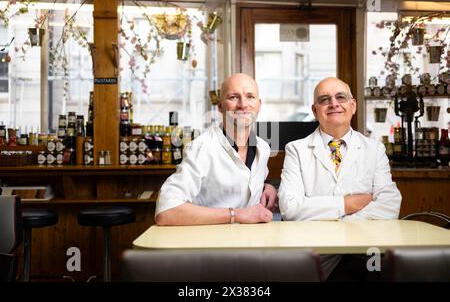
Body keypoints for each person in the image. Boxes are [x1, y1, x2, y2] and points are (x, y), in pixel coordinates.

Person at [278, 77, 402, 280]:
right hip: (315, 254)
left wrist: (338, 225)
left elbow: (389, 204)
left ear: (352, 106)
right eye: (324, 99)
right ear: (315, 110)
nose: (333, 104)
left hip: (365, 250)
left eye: (340, 97)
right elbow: (290, 207)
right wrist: (346, 203)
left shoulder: (374, 149)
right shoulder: (296, 149)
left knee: (376, 273)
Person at [155, 73, 277, 226]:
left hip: (250, 243)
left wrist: (267, 186)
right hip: (211, 244)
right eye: (233, 97)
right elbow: (165, 211)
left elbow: (243, 180)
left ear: (259, 105)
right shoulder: (202, 148)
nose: (243, 104)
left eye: (250, 96)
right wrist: (236, 215)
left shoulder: (262, 148)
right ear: (220, 106)